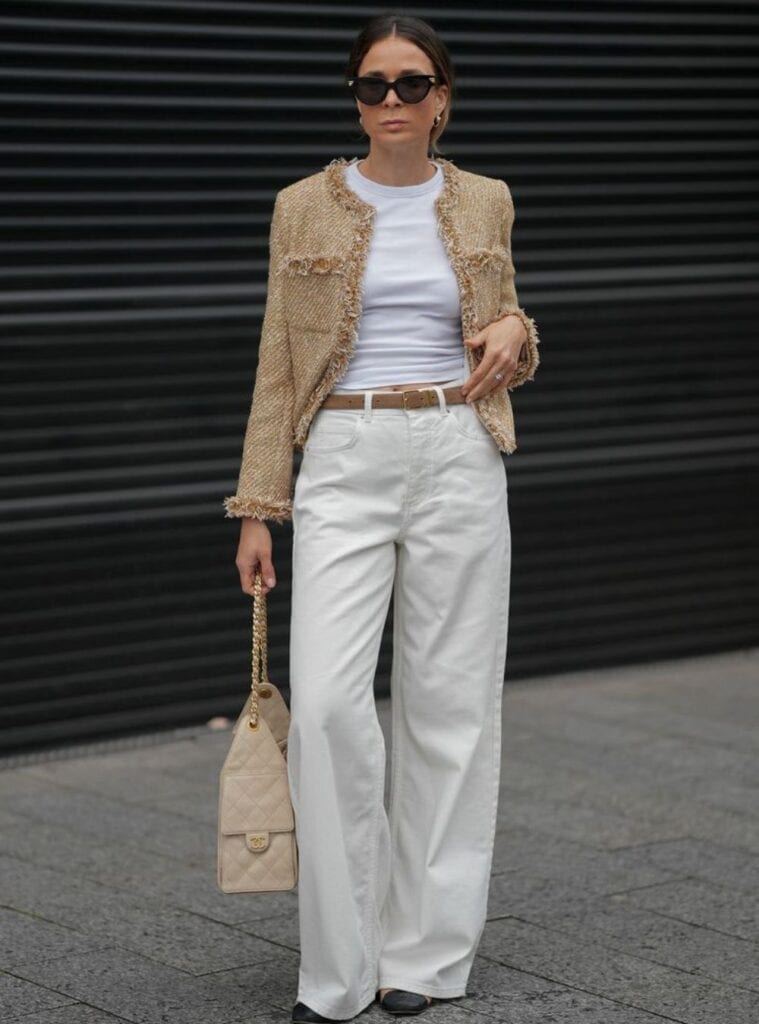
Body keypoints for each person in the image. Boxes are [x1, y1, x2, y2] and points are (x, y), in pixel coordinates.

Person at [223, 14, 540, 1023]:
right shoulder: (303, 206)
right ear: (354, 100)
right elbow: (278, 362)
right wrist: (259, 507)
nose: (392, 103)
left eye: (411, 84)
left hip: (457, 448)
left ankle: (427, 958)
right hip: (346, 455)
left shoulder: (487, 199)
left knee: (452, 707)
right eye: (373, 86)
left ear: (444, 97)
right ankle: (337, 971)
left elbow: (509, 334)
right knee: (323, 707)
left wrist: (518, 329)